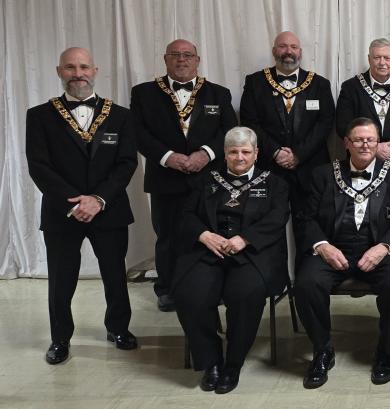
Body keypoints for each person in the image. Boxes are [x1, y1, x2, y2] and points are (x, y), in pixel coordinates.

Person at [26, 47, 139, 365]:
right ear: (59, 71)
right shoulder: (39, 116)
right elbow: (39, 165)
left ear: (95, 70)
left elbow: (126, 163)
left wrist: (98, 199)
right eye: (71, 67)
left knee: (115, 274)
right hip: (62, 212)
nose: (78, 73)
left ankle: (118, 328)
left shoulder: (121, 116)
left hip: (110, 209)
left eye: (84, 67)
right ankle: (60, 337)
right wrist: (74, 203)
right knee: (61, 279)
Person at [295, 117, 390, 387]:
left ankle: (386, 351)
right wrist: (322, 246)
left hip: (379, 249)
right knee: (306, 283)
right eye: (358, 140)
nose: (365, 145)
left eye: (371, 139)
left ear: (378, 143)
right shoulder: (322, 174)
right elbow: (306, 219)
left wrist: (384, 247)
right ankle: (322, 350)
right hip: (334, 248)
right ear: (346, 143)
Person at [172, 127, 290, 394]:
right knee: (191, 294)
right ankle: (210, 361)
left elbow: (277, 219)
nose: (239, 157)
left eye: (246, 152)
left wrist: (245, 239)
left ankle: (233, 363)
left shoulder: (275, 183)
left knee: (245, 294)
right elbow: (186, 215)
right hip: (209, 250)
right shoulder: (205, 179)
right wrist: (203, 235)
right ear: (224, 154)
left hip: (252, 254)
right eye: (233, 152)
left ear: (256, 153)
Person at [131, 39, 238, 312]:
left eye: (187, 55)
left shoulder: (219, 93)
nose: (182, 60)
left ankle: (214, 286)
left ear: (197, 60)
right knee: (167, 236)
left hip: (210, 180)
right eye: (175, 55)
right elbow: (138, 133)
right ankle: (167, 289)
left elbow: (229, 131)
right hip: (165, 178)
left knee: (214, 233)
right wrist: (168, 158)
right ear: (165, 59)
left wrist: (205, 154)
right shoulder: (144, 93)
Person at [239, 30, 335, 262]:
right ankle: (272, 282)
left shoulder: (319, 84)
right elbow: (250, 121)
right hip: (268, 169)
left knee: (310, 226)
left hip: (309, 168)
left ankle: (305, 283)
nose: (288, 51)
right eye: (283, 46)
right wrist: (275, 152)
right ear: (274, 51)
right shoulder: (255, 82)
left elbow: (325, 123)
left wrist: (298, 154)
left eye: (293, 47)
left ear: (300, 52)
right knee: (266, 227)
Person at [336, 38, 390, 173]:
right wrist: (374, 147)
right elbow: (343, 124)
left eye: (387, 58)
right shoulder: (350, 87)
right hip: (361, 161)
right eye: (377, 57)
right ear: (369, 59)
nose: (382, 62)